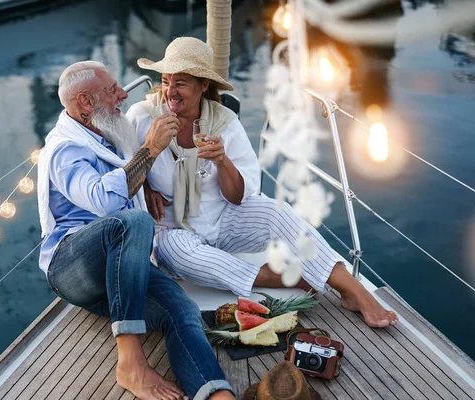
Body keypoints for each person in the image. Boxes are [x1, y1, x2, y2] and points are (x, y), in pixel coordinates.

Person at [126, 37, 398, 328]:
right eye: (166, 81)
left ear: (204, 84)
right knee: (175, 252)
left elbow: (239, 197)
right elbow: (123, 177)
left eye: (180, 83)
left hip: (223, 219)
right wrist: (147, 179)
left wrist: (222, 161)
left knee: (275, 211)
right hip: (174, 228)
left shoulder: (225, 122)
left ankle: (354, 291)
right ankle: (273, 276)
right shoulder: (142, 118)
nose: (170, 91)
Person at [37, 61, 235, 400]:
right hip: (71, 269)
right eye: (113, 89)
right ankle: (130, 361)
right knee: (134, 223)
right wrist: (152, 147)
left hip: (115, 276)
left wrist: (146, 186)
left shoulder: (105, 133)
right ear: (86, 102)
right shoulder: (64, 149)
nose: (124, 94)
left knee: (182, 309)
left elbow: (127, 177)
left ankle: (216, 392)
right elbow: (105, 202)